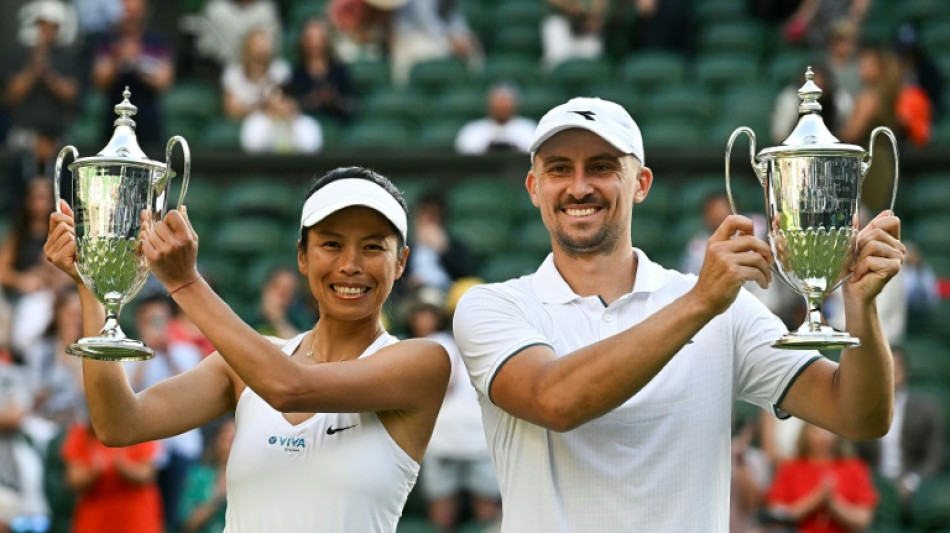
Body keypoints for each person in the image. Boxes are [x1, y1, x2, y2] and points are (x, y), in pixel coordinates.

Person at [451, 96, 904, 531]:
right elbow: (555, 401)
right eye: (558, 169)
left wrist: (860, 306)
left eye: (603, 167)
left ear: (642, 183)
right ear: (534, 187)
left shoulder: (723, 307)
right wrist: (699, 303)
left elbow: (858, 416)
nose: (579, 186)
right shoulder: (494, 306)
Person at [45, 166, 451, 531]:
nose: (350, 264)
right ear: (302, 256)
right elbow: (119, 424)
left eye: (373, 247)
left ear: (401, 263)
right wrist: (91, 286)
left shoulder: (421, 363)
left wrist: (185, 283)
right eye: (330, 244)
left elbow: (289, 388)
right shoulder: (244, 366)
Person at [406, 297, 500, 531]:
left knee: (480, 516)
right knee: (450, 518)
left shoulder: (494, 344)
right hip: (453, 443)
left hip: (472, 442)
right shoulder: (437, 344)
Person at [854, 346, 944, 510]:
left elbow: (934, 455)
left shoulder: (926, 410)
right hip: (873, 482)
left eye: (896, 367)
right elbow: (854, 453)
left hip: (914, 483)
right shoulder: (863, 409)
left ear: (906, 371)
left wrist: (912, 482)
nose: (892, 372)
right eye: (886, 366)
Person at [222, 27, 323, 153]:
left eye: (264, 45)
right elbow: (232, 110)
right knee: (255, 129)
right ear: (247, 48)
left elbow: (287, 101)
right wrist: (265, 106)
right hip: (255, 122)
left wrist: (279, 107)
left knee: (306, 129)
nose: (261, 50)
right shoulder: (234, 72)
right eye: (257, 45)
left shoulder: (280, 69)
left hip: (279, 119)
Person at [91, 0, 174, 152]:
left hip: (148, 120)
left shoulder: (156, 42)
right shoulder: (108, 42)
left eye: (135, 12)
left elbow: (163, 81)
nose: (131, 17)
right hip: (114, 120)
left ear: (144, 13)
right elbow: (100, 81)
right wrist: (118, 58)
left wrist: (137, 60)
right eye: (128, 12)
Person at [765, 423, 877, 532]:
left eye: (828, 430)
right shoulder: (789, 468)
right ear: (806, 433)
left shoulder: (855, 468)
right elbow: (777, 513)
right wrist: (815, 500)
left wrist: (833, 504)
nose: (822, 436)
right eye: (816, 430)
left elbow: (863, 519)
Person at [62, 418, 163, 533]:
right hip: (96, 516)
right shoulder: (81, 432)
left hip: (135, 515)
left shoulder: (140, 429)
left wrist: (122, 467)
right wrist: (94, 472)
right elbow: (73, 480)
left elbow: (147, 475)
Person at [287, 17, 356, 125]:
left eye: (319, 39)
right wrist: (311, 100)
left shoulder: (339, 70)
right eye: (311, 39)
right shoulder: (297, 72)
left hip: (338, 125)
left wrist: (334, 99)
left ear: (326, 41)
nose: (315, 44)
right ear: (303, 42)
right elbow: (291, 105)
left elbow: (351, 105)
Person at [178, 418, 235, 533]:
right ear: (217, 441)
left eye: (235, 440)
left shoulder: (255, 482)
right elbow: (187, 524)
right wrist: (219, 498)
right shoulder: (199, 476)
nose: (231, 446)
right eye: (227, 440)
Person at [454, 83, 537, 155]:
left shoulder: (529, 129)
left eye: (506, 103)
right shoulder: (472, 130)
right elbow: (465, 154)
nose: (501, 107)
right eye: (498, 103)